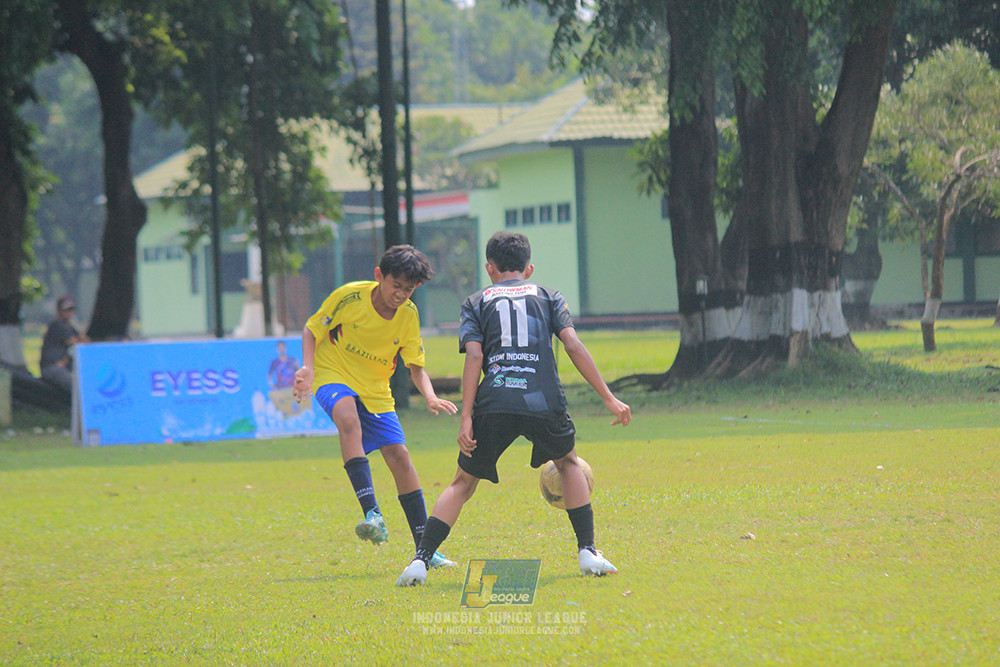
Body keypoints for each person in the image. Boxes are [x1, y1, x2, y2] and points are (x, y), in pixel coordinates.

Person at [396, 231, 631, 587]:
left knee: (463, 482)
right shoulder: (549, 296)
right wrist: (609, 398)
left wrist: (466, 417)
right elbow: (573, 345)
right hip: (543, 398)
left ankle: (420, 561)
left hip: (495, 400)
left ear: (489, 268)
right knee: (568, 463)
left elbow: (474, 357)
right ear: (529, 268)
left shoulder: (476, 301)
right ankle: (588, 551)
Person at [293, 245, 458, 568]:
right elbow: (312, 329)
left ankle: (425, 549)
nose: (400, 294)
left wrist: (429, 396)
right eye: (396, 285)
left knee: (400, 456)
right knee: (347, 418)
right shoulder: (349, 297)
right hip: (333, 373)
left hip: (376, 389)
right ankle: (373, 513)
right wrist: (308, 368)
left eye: (408, 289)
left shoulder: (408, 315)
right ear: (379, 276)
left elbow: (416, 367)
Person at [40, 295, 89, 391]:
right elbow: (73, 342)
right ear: (59, 311)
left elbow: (85, 340)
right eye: (66, 310)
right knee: (76, 387)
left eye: (71, 309)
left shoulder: (69, 327)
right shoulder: (57, 325)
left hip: (62, 368)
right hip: (52, 367)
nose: (69, 313)